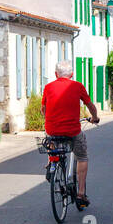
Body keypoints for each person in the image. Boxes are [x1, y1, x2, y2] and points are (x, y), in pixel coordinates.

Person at [42, 61, 100, 209]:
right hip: (72, 130)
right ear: (72, 74)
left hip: (53, 129)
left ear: (56, 74)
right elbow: (90, 105)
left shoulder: (48, 87)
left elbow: (43, 109)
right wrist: (94, 117)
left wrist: (50, 118)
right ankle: (81, 193)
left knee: (51, 139)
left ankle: (51, 162)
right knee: (82, 156)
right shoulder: (78, 86)